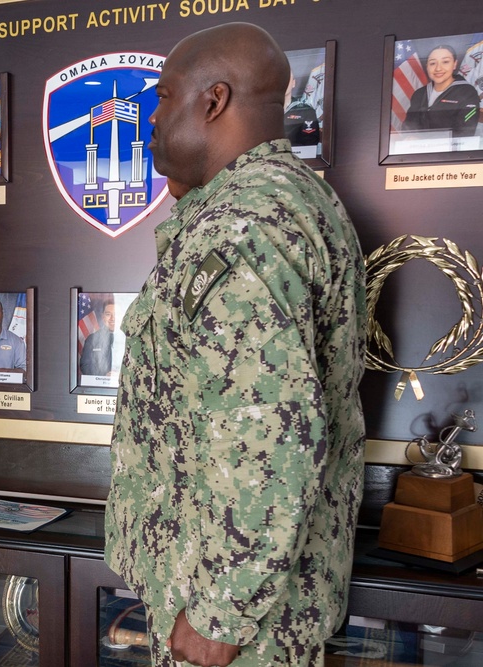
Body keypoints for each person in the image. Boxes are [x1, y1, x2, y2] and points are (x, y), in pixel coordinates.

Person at [105, 22, 366, 667]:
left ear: (213, 101)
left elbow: (269, 435)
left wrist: (221, 612)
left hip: (239, 626)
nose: (152, 118)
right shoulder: (293, 202)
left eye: (164, 98)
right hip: (262, 605)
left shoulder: (238, 233)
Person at [402, 45, 480, 138]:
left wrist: (426, 141)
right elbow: (408, 126)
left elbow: (465, 131)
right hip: (419, 149)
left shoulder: (468, 93)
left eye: (445, 62)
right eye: (432, 63)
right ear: (427, 66)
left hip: (451, 150)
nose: (438, 68)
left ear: (454, 64)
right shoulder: (419, 94)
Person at [79, 299, 122, 377]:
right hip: (99, 386)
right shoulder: (92, 339)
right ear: (103, 317)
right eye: (108, 314)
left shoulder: (130, 339)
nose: (112, 318)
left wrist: (120, 376)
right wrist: (104, 376)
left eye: (116, 314)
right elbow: (85, 365)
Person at [283, 71, 320, 149]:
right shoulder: (263, 111)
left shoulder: (306, 110)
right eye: (280, 80)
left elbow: (310, 143)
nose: (283, 83)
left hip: (297, 157)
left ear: (293, 83)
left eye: (287, 79)